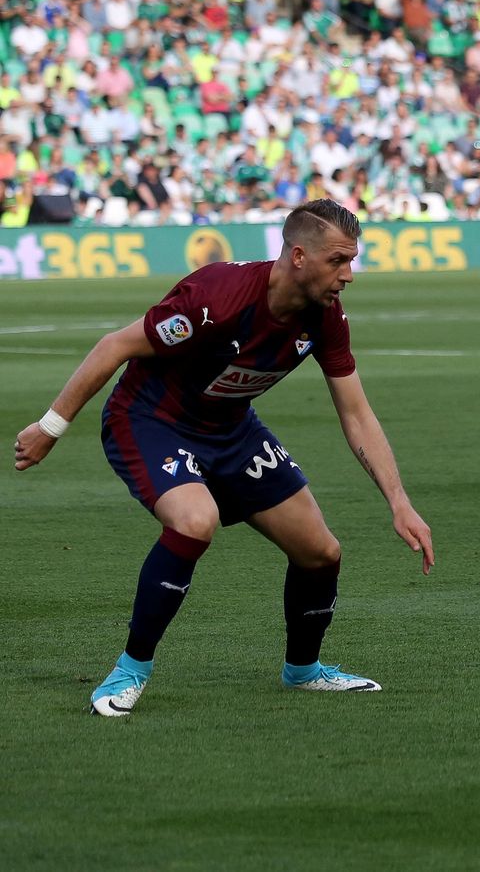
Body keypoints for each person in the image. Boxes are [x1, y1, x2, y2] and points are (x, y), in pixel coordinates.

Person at [13, 200, 435, 716]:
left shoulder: (326, 318)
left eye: (352, 261)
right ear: (299, 256)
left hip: (231, 430)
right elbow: (114, 346)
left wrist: (399, 502)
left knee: (321, 552)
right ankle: (130, 670)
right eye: (339, 261)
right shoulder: (216, 297)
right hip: (150, 421)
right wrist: (50, 427)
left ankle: (303, 671)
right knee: (195, 520)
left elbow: (357, 413)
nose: (349, 275)